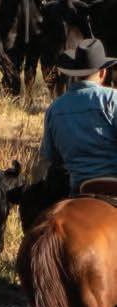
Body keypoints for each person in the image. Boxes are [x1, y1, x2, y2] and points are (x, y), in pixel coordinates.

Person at [40, 38, 117, 192]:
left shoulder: (54, 108)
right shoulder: (112, 99)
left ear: (75, 74)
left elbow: (47, 161)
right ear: (103, 72)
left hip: (76, 189)